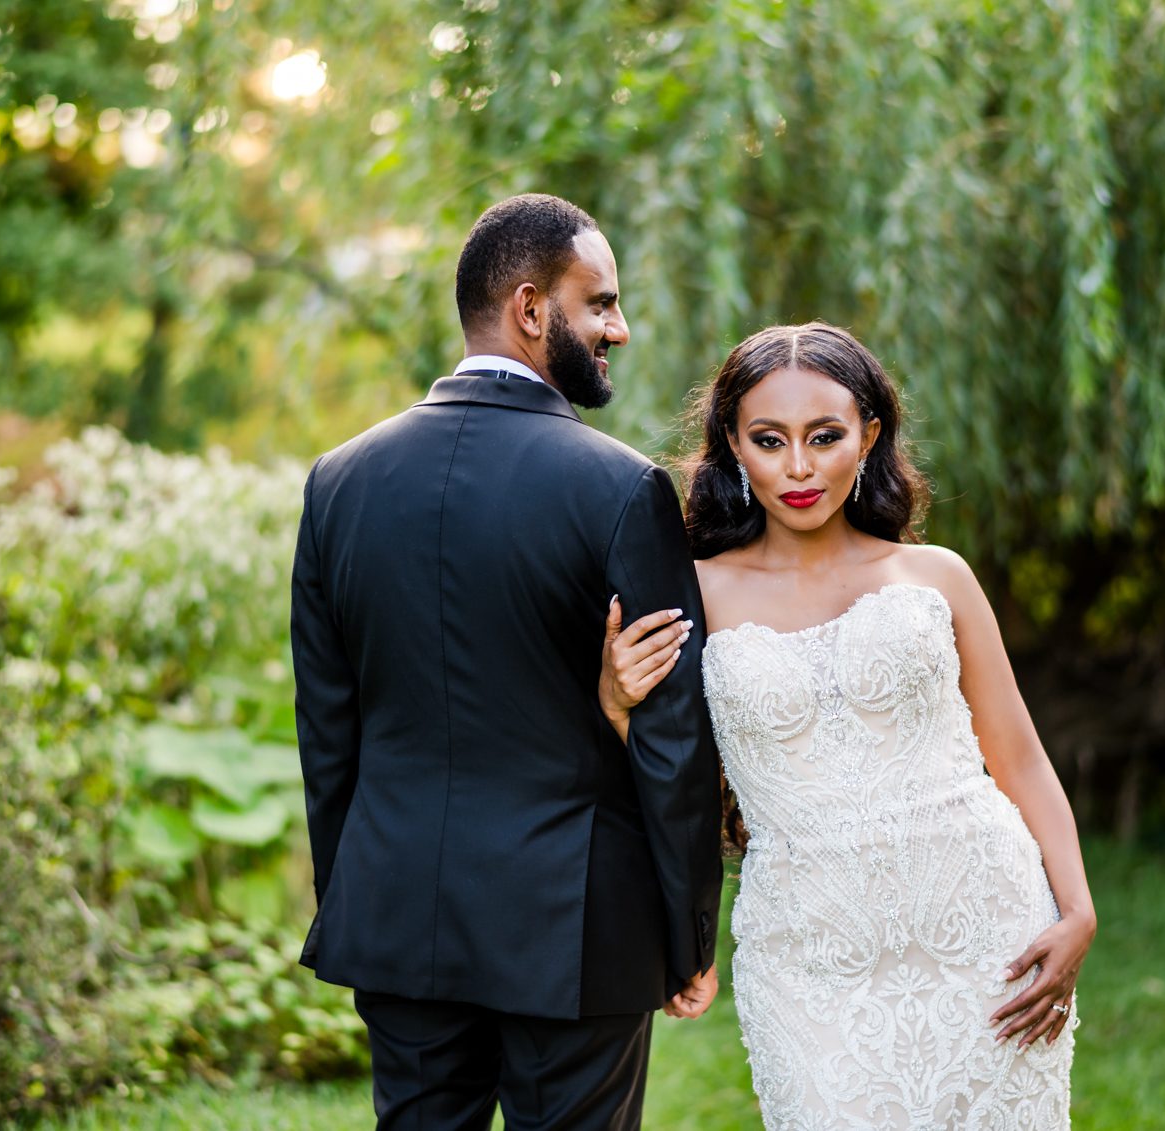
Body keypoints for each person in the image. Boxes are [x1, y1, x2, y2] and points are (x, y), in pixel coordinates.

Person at [290, 193, 724, 1131]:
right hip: (575, 922)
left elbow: (328, 732)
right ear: (531, 308)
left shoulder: (338, 482)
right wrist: (690, 928)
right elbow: (672, 732)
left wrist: (357, 895)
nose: (620, 327)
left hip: (398, 912)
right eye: (600, 302)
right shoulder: (621, 488)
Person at [602, 322, 1096, 1128]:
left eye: (824, 436)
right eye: (770, 439)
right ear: (733, 444)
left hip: (985, 931)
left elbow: (1020, 758)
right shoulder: (691, 592)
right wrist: (617, 704)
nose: (798, 467)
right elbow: (675, 779)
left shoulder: (937, 576)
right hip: (808, 953)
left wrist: (1076, 909)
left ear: (868, 435)